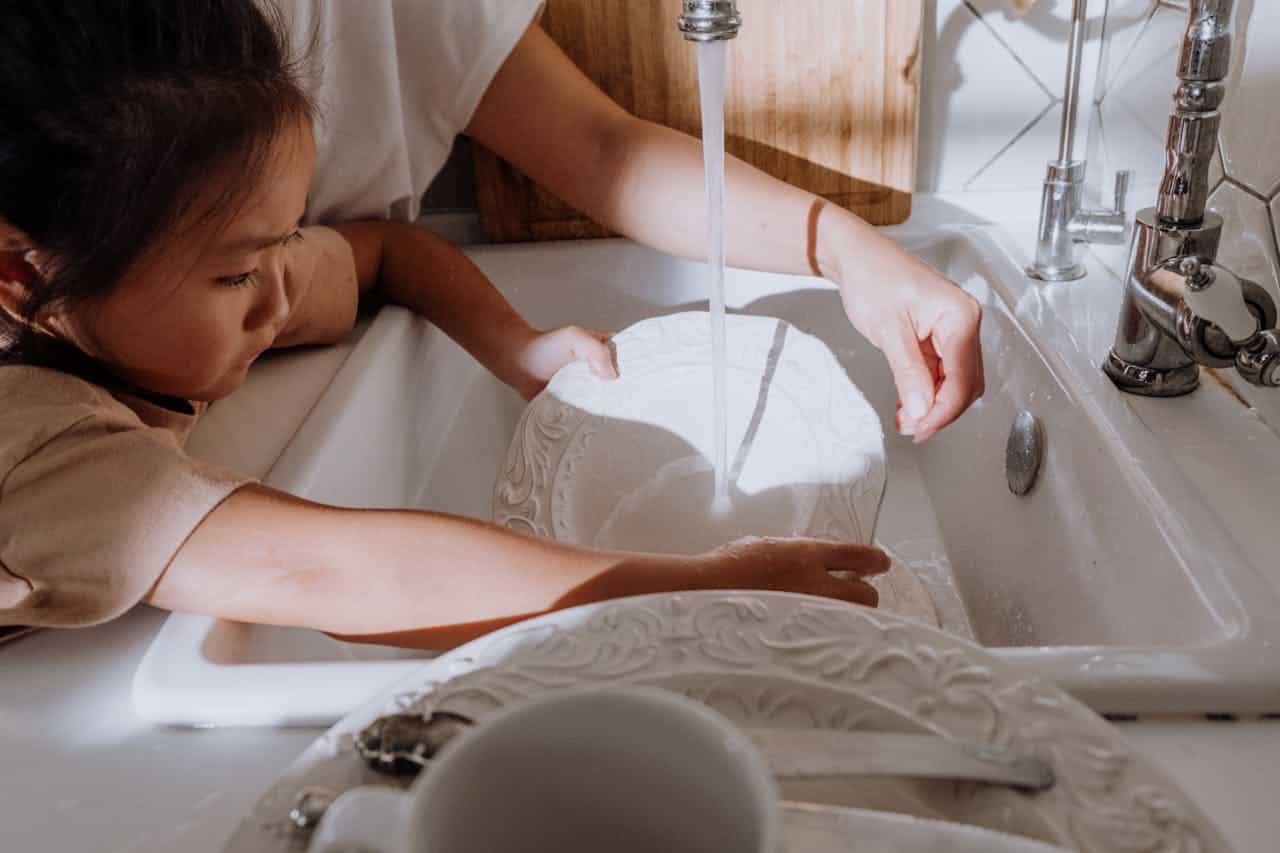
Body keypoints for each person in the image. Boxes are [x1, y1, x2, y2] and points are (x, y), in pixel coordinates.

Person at [0, 0, 977, 647]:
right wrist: (679, 584)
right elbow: (333, 570)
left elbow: (380, 253)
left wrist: (515, 345)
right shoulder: (36, 450)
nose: (274, 293)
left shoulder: (155, 285)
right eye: (236, 274)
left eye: (273, 250)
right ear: (17, 273)